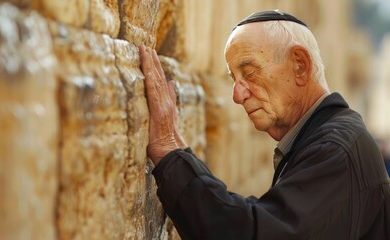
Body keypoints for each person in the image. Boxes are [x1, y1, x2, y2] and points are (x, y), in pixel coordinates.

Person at [139, 10, 390, 239]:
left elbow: (253, 233)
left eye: (248, 73)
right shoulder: (332, 136)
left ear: (300, 66)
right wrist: (179, 153)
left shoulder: (336, 149)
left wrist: (169, 153)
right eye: (234, 79)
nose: (237, 96)